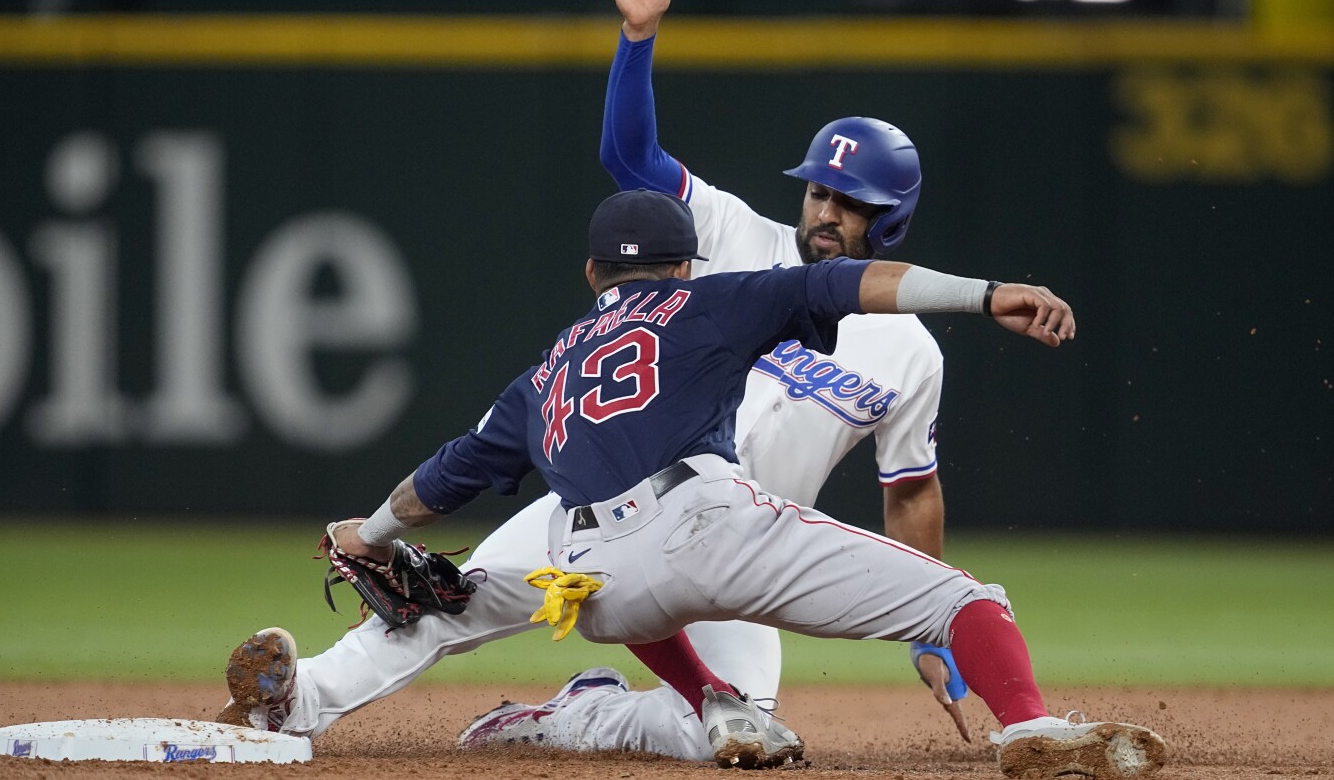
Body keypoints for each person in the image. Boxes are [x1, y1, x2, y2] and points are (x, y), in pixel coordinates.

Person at [226, 188, 1165, 779]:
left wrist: (369, 534)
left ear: (592, 272)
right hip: (709, 524)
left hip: (586, 574)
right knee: (966, 602)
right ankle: (1026, 731)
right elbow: (847, 285)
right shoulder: (715, 296)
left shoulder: (547, 366)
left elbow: (452, 474)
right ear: (686, 264)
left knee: (452, 598)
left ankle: (297, 700)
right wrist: (983, 293)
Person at [457, 0, 976, 758]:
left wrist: (929, 624)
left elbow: (910, 490)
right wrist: (638, 37)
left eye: (851, 201)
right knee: (455, 603)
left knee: (735, 728)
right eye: (818, 192)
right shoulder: (733, 233)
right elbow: (629, 154)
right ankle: (300, 694)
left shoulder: (911, 350)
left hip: (747, 552)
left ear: (891, 220)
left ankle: (575, 713)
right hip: (625, 505)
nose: (826, 211)